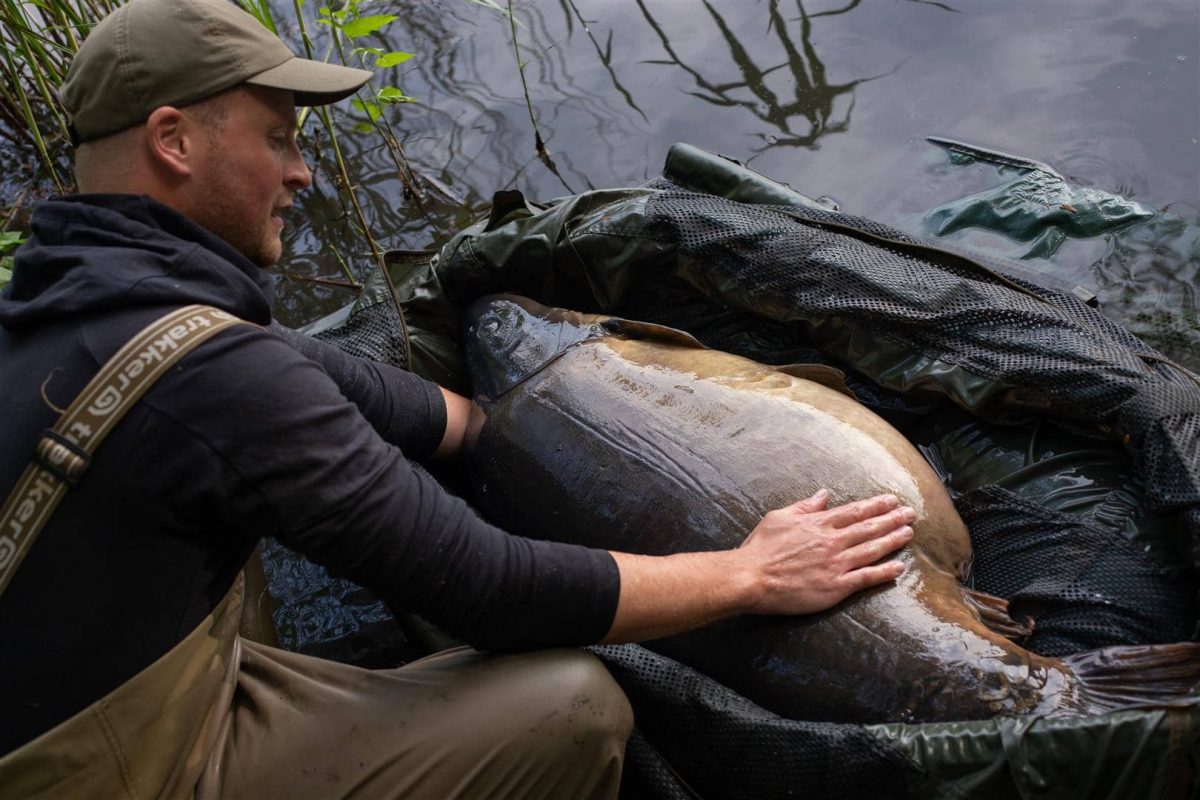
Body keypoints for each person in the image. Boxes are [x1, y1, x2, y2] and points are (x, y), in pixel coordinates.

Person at [0, 0, 916, 797]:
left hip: (97, 680)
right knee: (576, 705)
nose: (302, 172)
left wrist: (540, 417)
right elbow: (492, 590)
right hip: (112, 767)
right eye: (276, 139)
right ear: (174, 140)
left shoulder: (76, 309)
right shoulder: (218, 381)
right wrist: (750, 572)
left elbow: (374, 395)